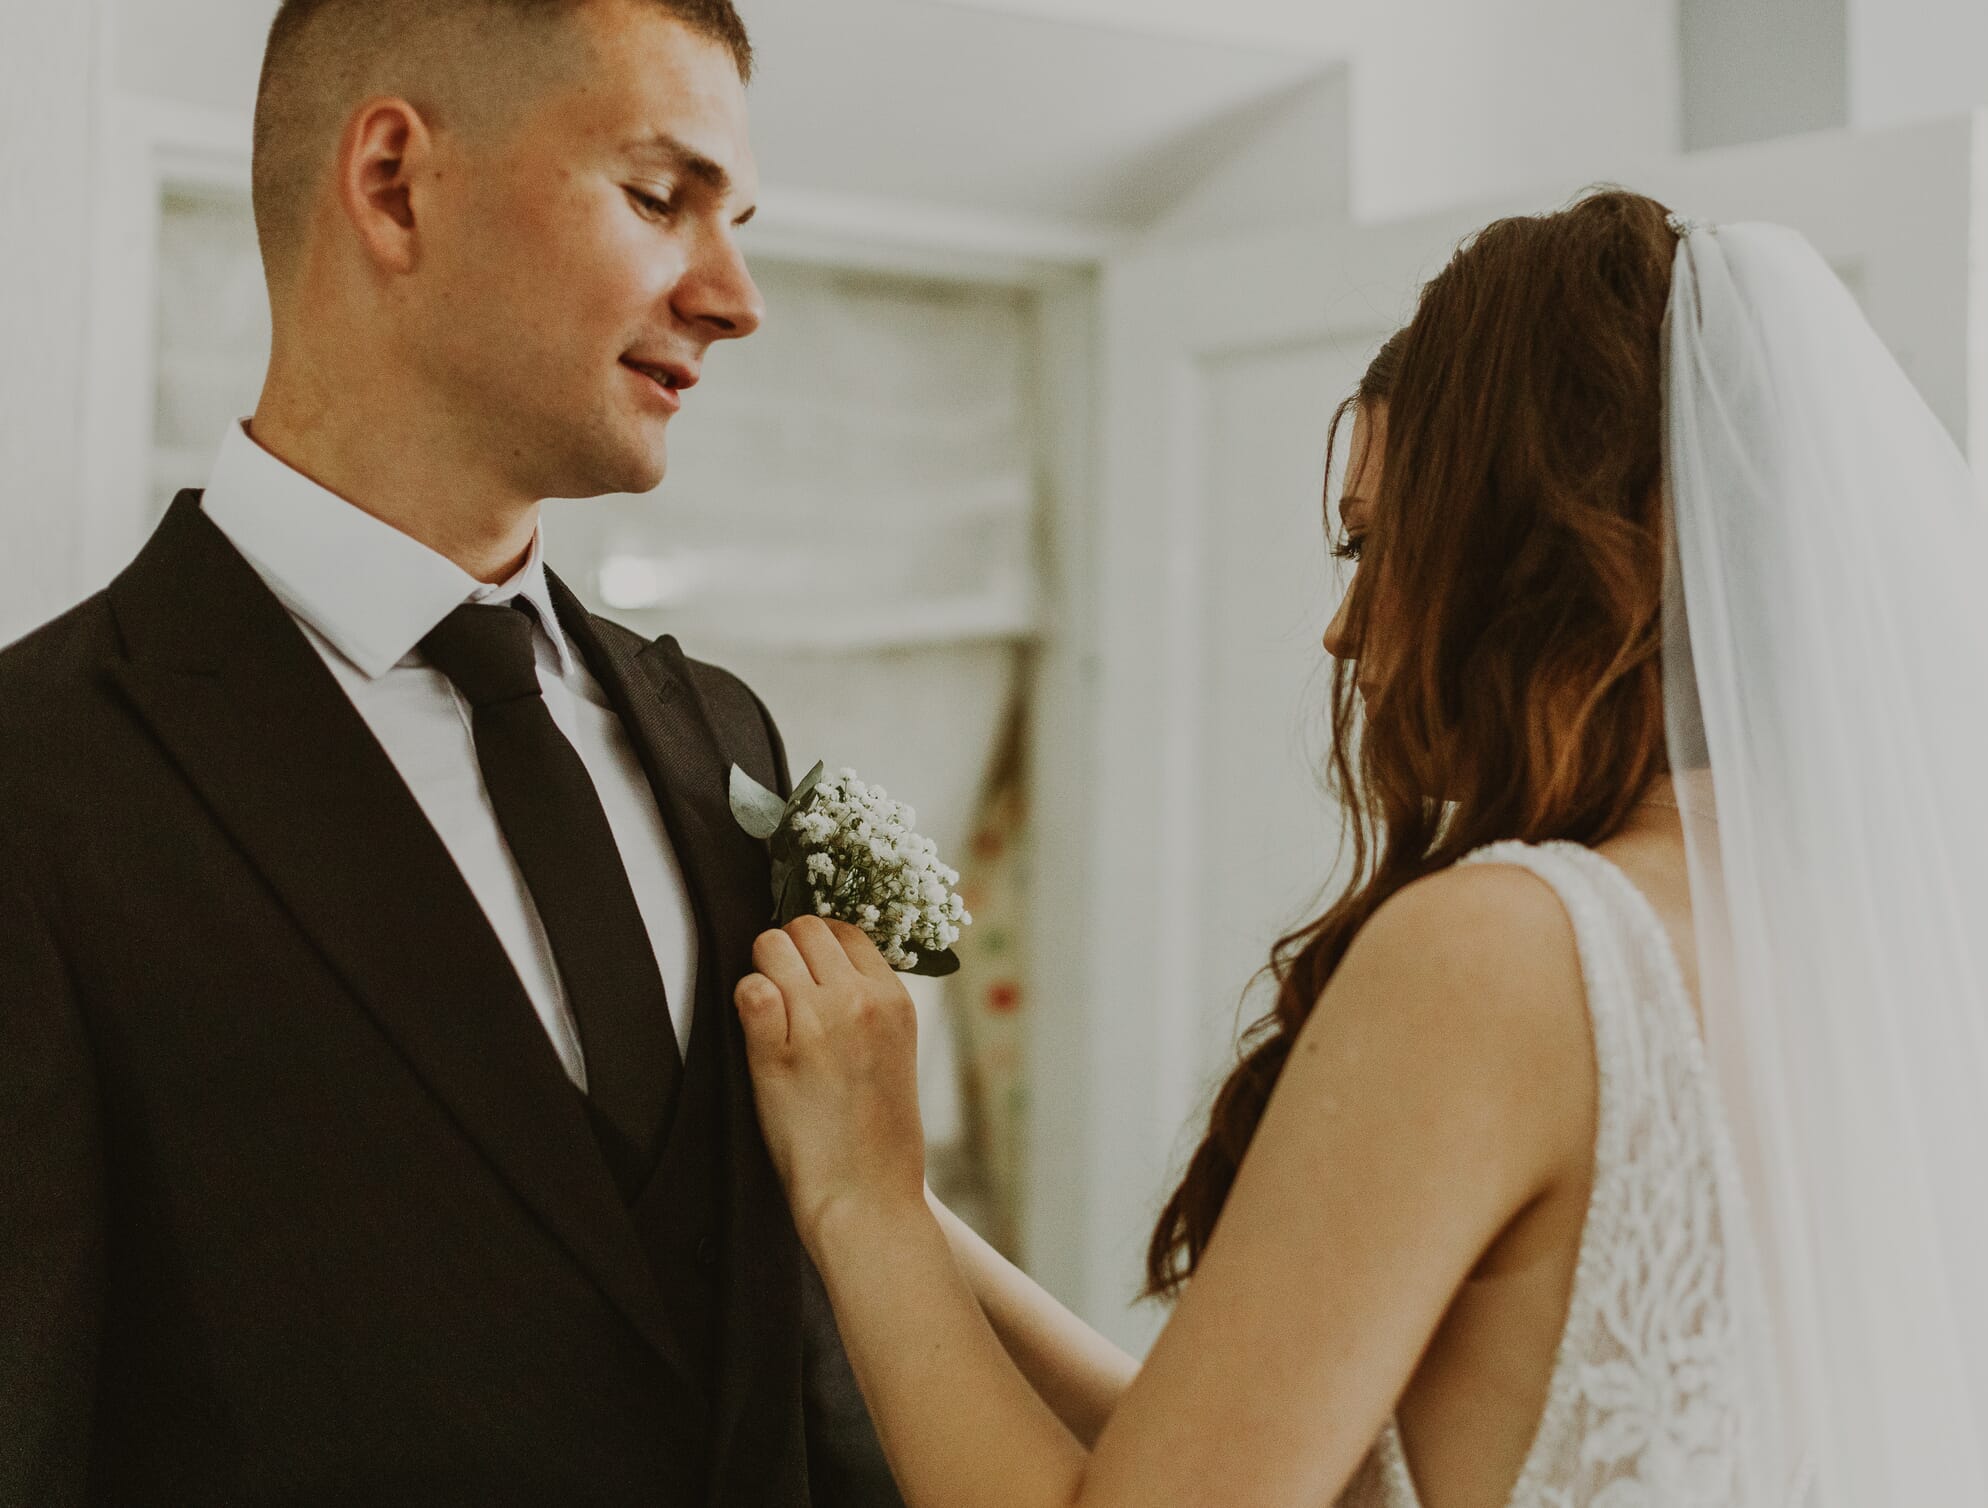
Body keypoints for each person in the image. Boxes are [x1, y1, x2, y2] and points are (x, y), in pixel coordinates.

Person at [728, 189, 1988, 1505]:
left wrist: (859, 1211)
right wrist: (900, 1196)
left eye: (1377, 542)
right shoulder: (1884, 949)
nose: (1341, 626)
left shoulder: (1513, 949)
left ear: (1530, 546)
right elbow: (1237, 1456)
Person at [0, 1, 901, 1503]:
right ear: (396, 183)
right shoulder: (35, 781)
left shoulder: (723, 739)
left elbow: (794, 1377)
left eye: (733, 221)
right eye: (660, 198)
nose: (736, 296)